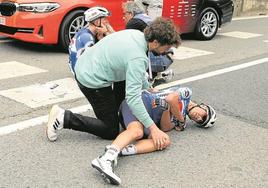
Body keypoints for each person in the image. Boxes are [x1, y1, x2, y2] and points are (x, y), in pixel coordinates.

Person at [46, 18, 181, 146]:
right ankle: (64, 118)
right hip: (91, 78)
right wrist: (153, 129)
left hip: (90, 63)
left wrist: (148, 87)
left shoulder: (137, 34)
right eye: (166, 47)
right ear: (156, 43)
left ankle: (117, 114)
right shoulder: (138, 57)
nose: (166, 51)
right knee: (110, 130)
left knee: (122, 102)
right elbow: (133, 98)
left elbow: (135, 72)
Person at [91, 86, 217, 185]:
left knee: (165, 141)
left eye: (201, 121)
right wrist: (180, 118)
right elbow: (170, 98)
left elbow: (164, 127)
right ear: (203, 106)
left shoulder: (181, 120)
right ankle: (106, 158)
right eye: (204, 115)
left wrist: (171, 113)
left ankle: (120, 151)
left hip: (148, 120)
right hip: (140, 102)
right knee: (137, 132)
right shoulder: (187, 94)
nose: (199, 117)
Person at [123, 0, 175, 86]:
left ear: (131, 13)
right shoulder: (145, 17)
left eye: (124, 14)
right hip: (167, 56)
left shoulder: (133, 23)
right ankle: (159, 75)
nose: (123, 17)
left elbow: (124, 43)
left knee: (134, 54)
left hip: (160, 60)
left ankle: (147, 78)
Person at [68, 6, 114, 74]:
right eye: (104, 19)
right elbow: (98, 57)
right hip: (83, 74)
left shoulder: (84, 31)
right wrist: (106, 35)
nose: (107, 22)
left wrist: (103, 36)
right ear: (97, 21)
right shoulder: (87, 37)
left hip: (79, 68)